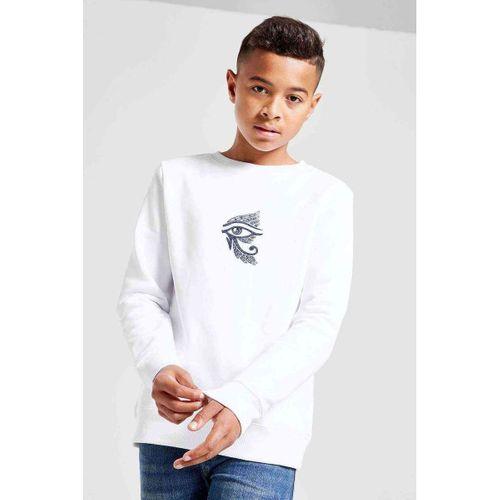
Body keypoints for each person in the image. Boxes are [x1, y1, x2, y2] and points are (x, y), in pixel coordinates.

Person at [116, 15, 354, 499]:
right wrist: (158, 366)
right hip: (170, 430)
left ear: (313, 105)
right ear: (232, 85)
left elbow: (318, 322)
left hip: (264, 435)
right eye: (259, 88)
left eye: (293, 98)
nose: (272, 110)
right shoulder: (177, 179)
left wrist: (243, 401)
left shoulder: (325, 197)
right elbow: (142, 294)